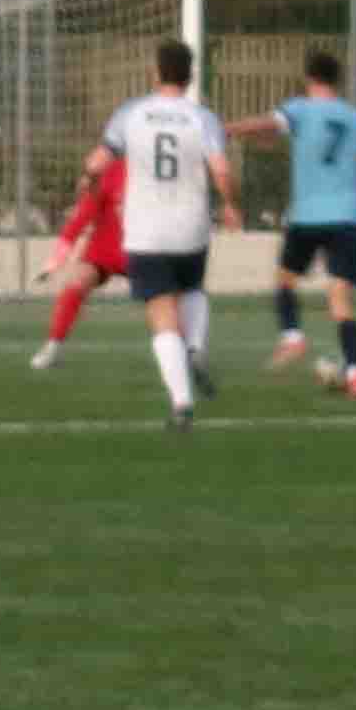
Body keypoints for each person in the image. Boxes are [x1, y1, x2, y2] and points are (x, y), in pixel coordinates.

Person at [99, 40, 240, 432]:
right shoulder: (202, 118)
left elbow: (98, 160)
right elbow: (222, 170)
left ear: (155, 72)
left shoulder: (130, 113)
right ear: (190, 76)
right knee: (192, 289)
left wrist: (88, 178)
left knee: (161, 312)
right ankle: (195, 348)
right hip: (191, 227)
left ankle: (182, 403)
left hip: (146, 230)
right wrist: (231, 204)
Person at [233, 50, 356, 396]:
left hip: (307, 216)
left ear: (308, 77)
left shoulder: (299, 109)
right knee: (339, 298)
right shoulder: (355, 116)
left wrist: (230, 129)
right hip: (346, 218)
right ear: (338, 79)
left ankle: (292, 336)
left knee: (285, 279)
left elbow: (268, 125)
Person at [31, 146, 131, 369]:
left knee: (169, 296)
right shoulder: (111, 172)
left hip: (144, 253)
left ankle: (186, 351)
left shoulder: (159, 173)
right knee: (76, 280)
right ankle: (52, 348)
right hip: (104, 252)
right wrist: (55, 261)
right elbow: (79, 221)